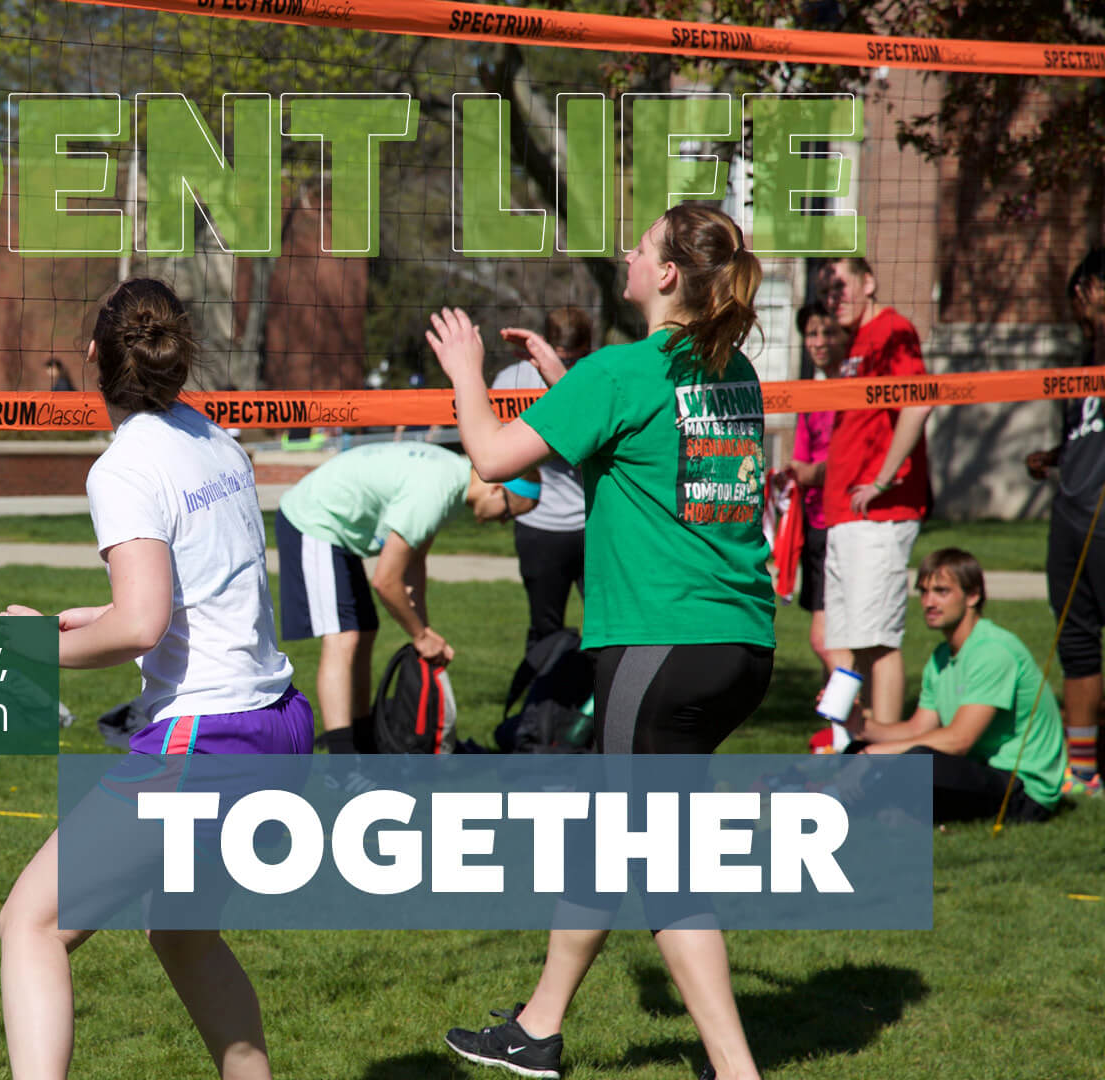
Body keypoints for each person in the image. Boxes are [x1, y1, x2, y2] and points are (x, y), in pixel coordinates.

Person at [428, 204, 775, 1080]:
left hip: (657, 649)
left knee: (660, 869)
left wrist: (469, 371)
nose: (627, 249)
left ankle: (735, 1069)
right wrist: (564, 383)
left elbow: (493, 454)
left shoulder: (620, 372)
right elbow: (641, 465)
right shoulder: (732, 375)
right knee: (614, 833)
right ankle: (538, 1028)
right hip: (739, 645)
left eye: (642, 241)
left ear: (666, 275)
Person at [0, 278, 311, 1080]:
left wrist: (32, 648)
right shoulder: (212, 435)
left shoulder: (124, 466)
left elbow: (141, 623)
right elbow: (190, 592)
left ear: (94, 356)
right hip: (277, 721)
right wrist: (97, 616)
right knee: (181, 932)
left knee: (31, 924)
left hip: (209, 738)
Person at [274, 441, 534, 754]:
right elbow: (386, 581)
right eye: (507, 513)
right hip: (314, 521)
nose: (503, 523)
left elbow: (414, 565)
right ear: (496, 489)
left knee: (365, 632)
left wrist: (425, 632)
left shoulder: (453, 479)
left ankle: (364, 740)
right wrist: (419, 635)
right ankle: (342, 762)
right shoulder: (436, 492)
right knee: (344, 637)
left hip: (338, 530)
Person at [847, 549, 1067, 824]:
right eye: (924, 592)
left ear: (972, 595)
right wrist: (861, 726)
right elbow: (917, 728)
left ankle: (861, 804)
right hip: (980, 770)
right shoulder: (941, 656)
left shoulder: (993, 651)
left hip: (1023, 789)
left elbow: (960, 740)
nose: (929, 602)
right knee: (860, 749)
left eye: (941, 591)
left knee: (916, 760)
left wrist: (880, 754)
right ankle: (865, 803)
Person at [818, 257, 932, 731]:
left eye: (843, 286)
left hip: (878, 516)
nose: (835, 296)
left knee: (878, 643)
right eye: (827, 290)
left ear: (869, 283)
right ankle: (847, 737)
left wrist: (884, 479)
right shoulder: (857, 342)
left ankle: (883, 759)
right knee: (841, 642)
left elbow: (920, 401)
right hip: (845, 515)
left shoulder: (892, 329)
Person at [1026, 247, 1105, 796]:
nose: (1080, 308)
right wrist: (1053, 457)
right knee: (1077, 646)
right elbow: (1088, 433)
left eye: (1088, 296)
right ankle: (1081, 770)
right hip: (1069, 520)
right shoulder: (1082, 358)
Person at [492, 305, 591, 655]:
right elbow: (496, 456)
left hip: (594, 525)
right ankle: (544, 709)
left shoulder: (597, 380)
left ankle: (598, 706)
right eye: (562, 359)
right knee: (544, 632)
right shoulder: (510, 382)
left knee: (609, 631)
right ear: (546, 347)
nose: (569, 368)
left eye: (577, 359)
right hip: (539, 527)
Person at [785, 300, 855, 682]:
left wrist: (813, 473)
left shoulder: (854, 387)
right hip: (814, 524)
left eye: (828, 332)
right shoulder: (810, 390)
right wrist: (790, 477)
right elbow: (801, 458)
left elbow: (853, 459)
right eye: (812, 333)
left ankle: (856, 720)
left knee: (828, 640)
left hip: (844, 522)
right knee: (830, 640)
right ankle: (842, 730)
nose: (819, 341)